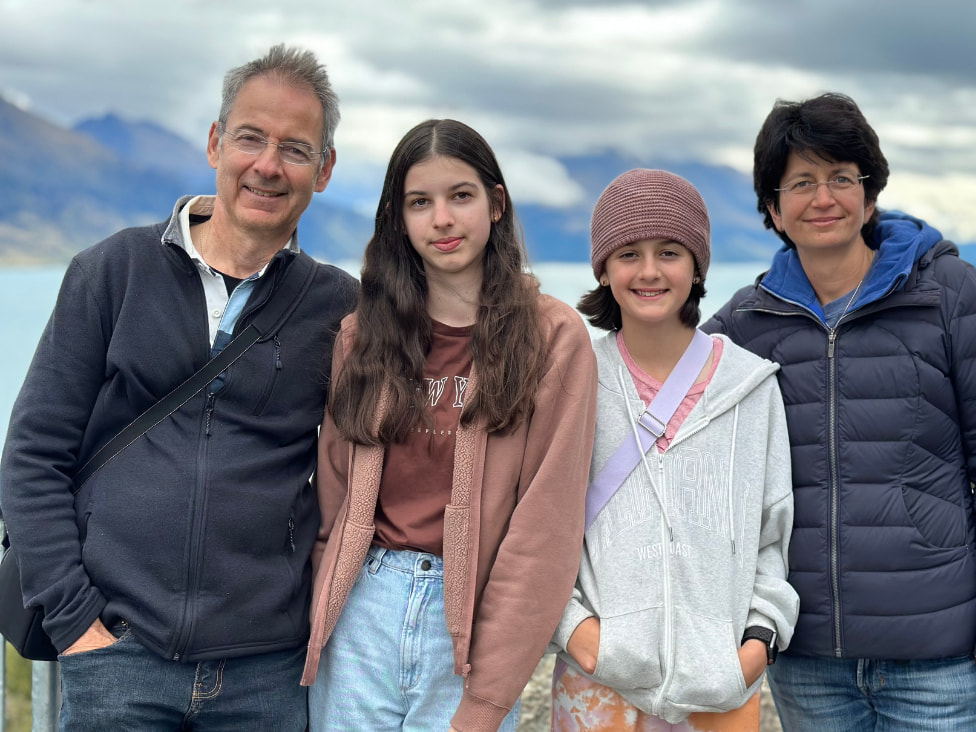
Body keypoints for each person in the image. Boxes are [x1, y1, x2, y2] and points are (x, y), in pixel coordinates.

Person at [0, 45, 357, 730]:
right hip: (118, 658)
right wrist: (79, 627)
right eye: (250, 137)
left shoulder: (339, 308)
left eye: (295, 148)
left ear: (324, 170)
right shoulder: (112, 271)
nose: (268, 164)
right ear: (216, 142)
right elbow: (32, 458)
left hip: (268, 673)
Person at [704, 93, 976, 731]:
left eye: (841, 177)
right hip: (805, 657)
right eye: (800, 182)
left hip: (937, 656)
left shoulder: (947, 293)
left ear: (870, 192)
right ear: (773, 210)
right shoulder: (747, 324)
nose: (824, 197)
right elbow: (666, 395)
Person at [301, 118, 598, 732]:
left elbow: (545, 530)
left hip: (468, 618)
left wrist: (489, 697)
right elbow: (334, 499)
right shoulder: (362, 337)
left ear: (496, 205)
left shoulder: (552, 338)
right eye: (420, 202)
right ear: (399, 220)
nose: (442, 219)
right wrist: (321, 619)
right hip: (363, 608)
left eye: (460, 196)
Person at [548, 169, 800, 731]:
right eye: (628, 253)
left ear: (697, 265)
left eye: (669, 251)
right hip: (598, 688)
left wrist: (756, 643)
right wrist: (577, 633)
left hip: (721, 691)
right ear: (604, 269)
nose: (649, 271)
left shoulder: (752, 387)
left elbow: (772, 535)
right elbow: (538, 523)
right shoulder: (572, 379)